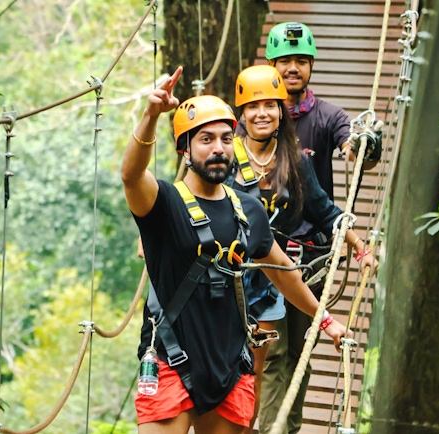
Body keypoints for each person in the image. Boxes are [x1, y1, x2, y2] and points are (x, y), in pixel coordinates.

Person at [121, 66, 352, 434]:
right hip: (171, 359)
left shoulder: (249, 209)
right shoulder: (163, 203)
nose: (218, 148)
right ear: (185, 148)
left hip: (229, 365)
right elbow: (132, 175)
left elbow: (283, 271)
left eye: (226, 139)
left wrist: (326, 319)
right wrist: (151, 116)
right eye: (206, 139)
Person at [228, 64, 378, 434]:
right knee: (224, 367)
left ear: (281, 111)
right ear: (242, 115)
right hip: (227, 276)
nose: (262, 113)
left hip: (275, 277)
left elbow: (324, 210)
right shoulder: (225, 156)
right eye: (253, 107)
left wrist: (359, 247)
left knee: (264, 366)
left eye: (270, 106)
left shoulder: (295, 160)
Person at [262, 21, 383, 201]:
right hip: (266, 224)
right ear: (271, 65)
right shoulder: (258, 117)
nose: (293, 68)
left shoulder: (330, 116)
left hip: (316, 225)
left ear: (312, 64)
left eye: (301, 61)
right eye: (285, 61)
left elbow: (354, 154)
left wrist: (368, 149)